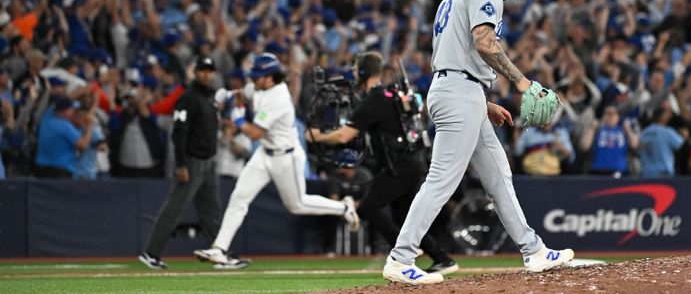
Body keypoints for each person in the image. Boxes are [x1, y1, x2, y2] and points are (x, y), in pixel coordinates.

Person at [382, 0, 574, 285]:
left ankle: (534, 250)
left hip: (458, 90)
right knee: (442, 179)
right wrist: (521, 82)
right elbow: (484, 43)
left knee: (498, 173)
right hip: (459, 93)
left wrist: (481, 103)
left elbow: (455, 55)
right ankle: (401, 258)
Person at [193, 53, 359, 269]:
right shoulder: (261, 86)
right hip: (264, 153)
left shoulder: (278, 98)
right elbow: (244, 93)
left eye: (258, 76)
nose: (254, 79)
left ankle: (343, 208)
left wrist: (238, 116)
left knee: (296, 205)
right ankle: (219, 249)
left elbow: (253, 133)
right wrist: (230, 95)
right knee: (239, 197)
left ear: (270, 77)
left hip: (286, 156)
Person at [307, 51, 459, 274]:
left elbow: (343, 136)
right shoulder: (391, 93)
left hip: (399, 165)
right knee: (403, 215)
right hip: (412, 161)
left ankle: (403, 252)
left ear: (365, 72)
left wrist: (317, 136)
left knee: (368, 206)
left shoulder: (374, 100)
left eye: (357, 70)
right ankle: (441, 258)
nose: (354, 74)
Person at [139, 56, 223, 269]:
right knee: (174, 209)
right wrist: (181, 164)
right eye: (203, 70)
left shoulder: (210, 98)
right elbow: (179, 133)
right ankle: (151, 253)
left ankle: (220, 252)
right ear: (195, 72)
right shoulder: (188, 98)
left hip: (209, 162)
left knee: (211, 212)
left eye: (210, 70)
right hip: (192, 162)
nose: (207, 74)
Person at [33, 96, 92, 178]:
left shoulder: (46, 119)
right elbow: (82, 146)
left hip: (41, 168)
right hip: (60, 171)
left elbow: (55, 106)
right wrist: (89, 127)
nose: (73, 112)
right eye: (71, 109)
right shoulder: (65, 126)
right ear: (66, 111)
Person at [638, 107, 686, 177]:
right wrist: (684, 134)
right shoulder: (667, 132)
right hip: (663, 173)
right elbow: (680, 144)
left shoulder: (644, 133)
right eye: (667, 116)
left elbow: (638, 149)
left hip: (646, 173)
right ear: (662, 118)